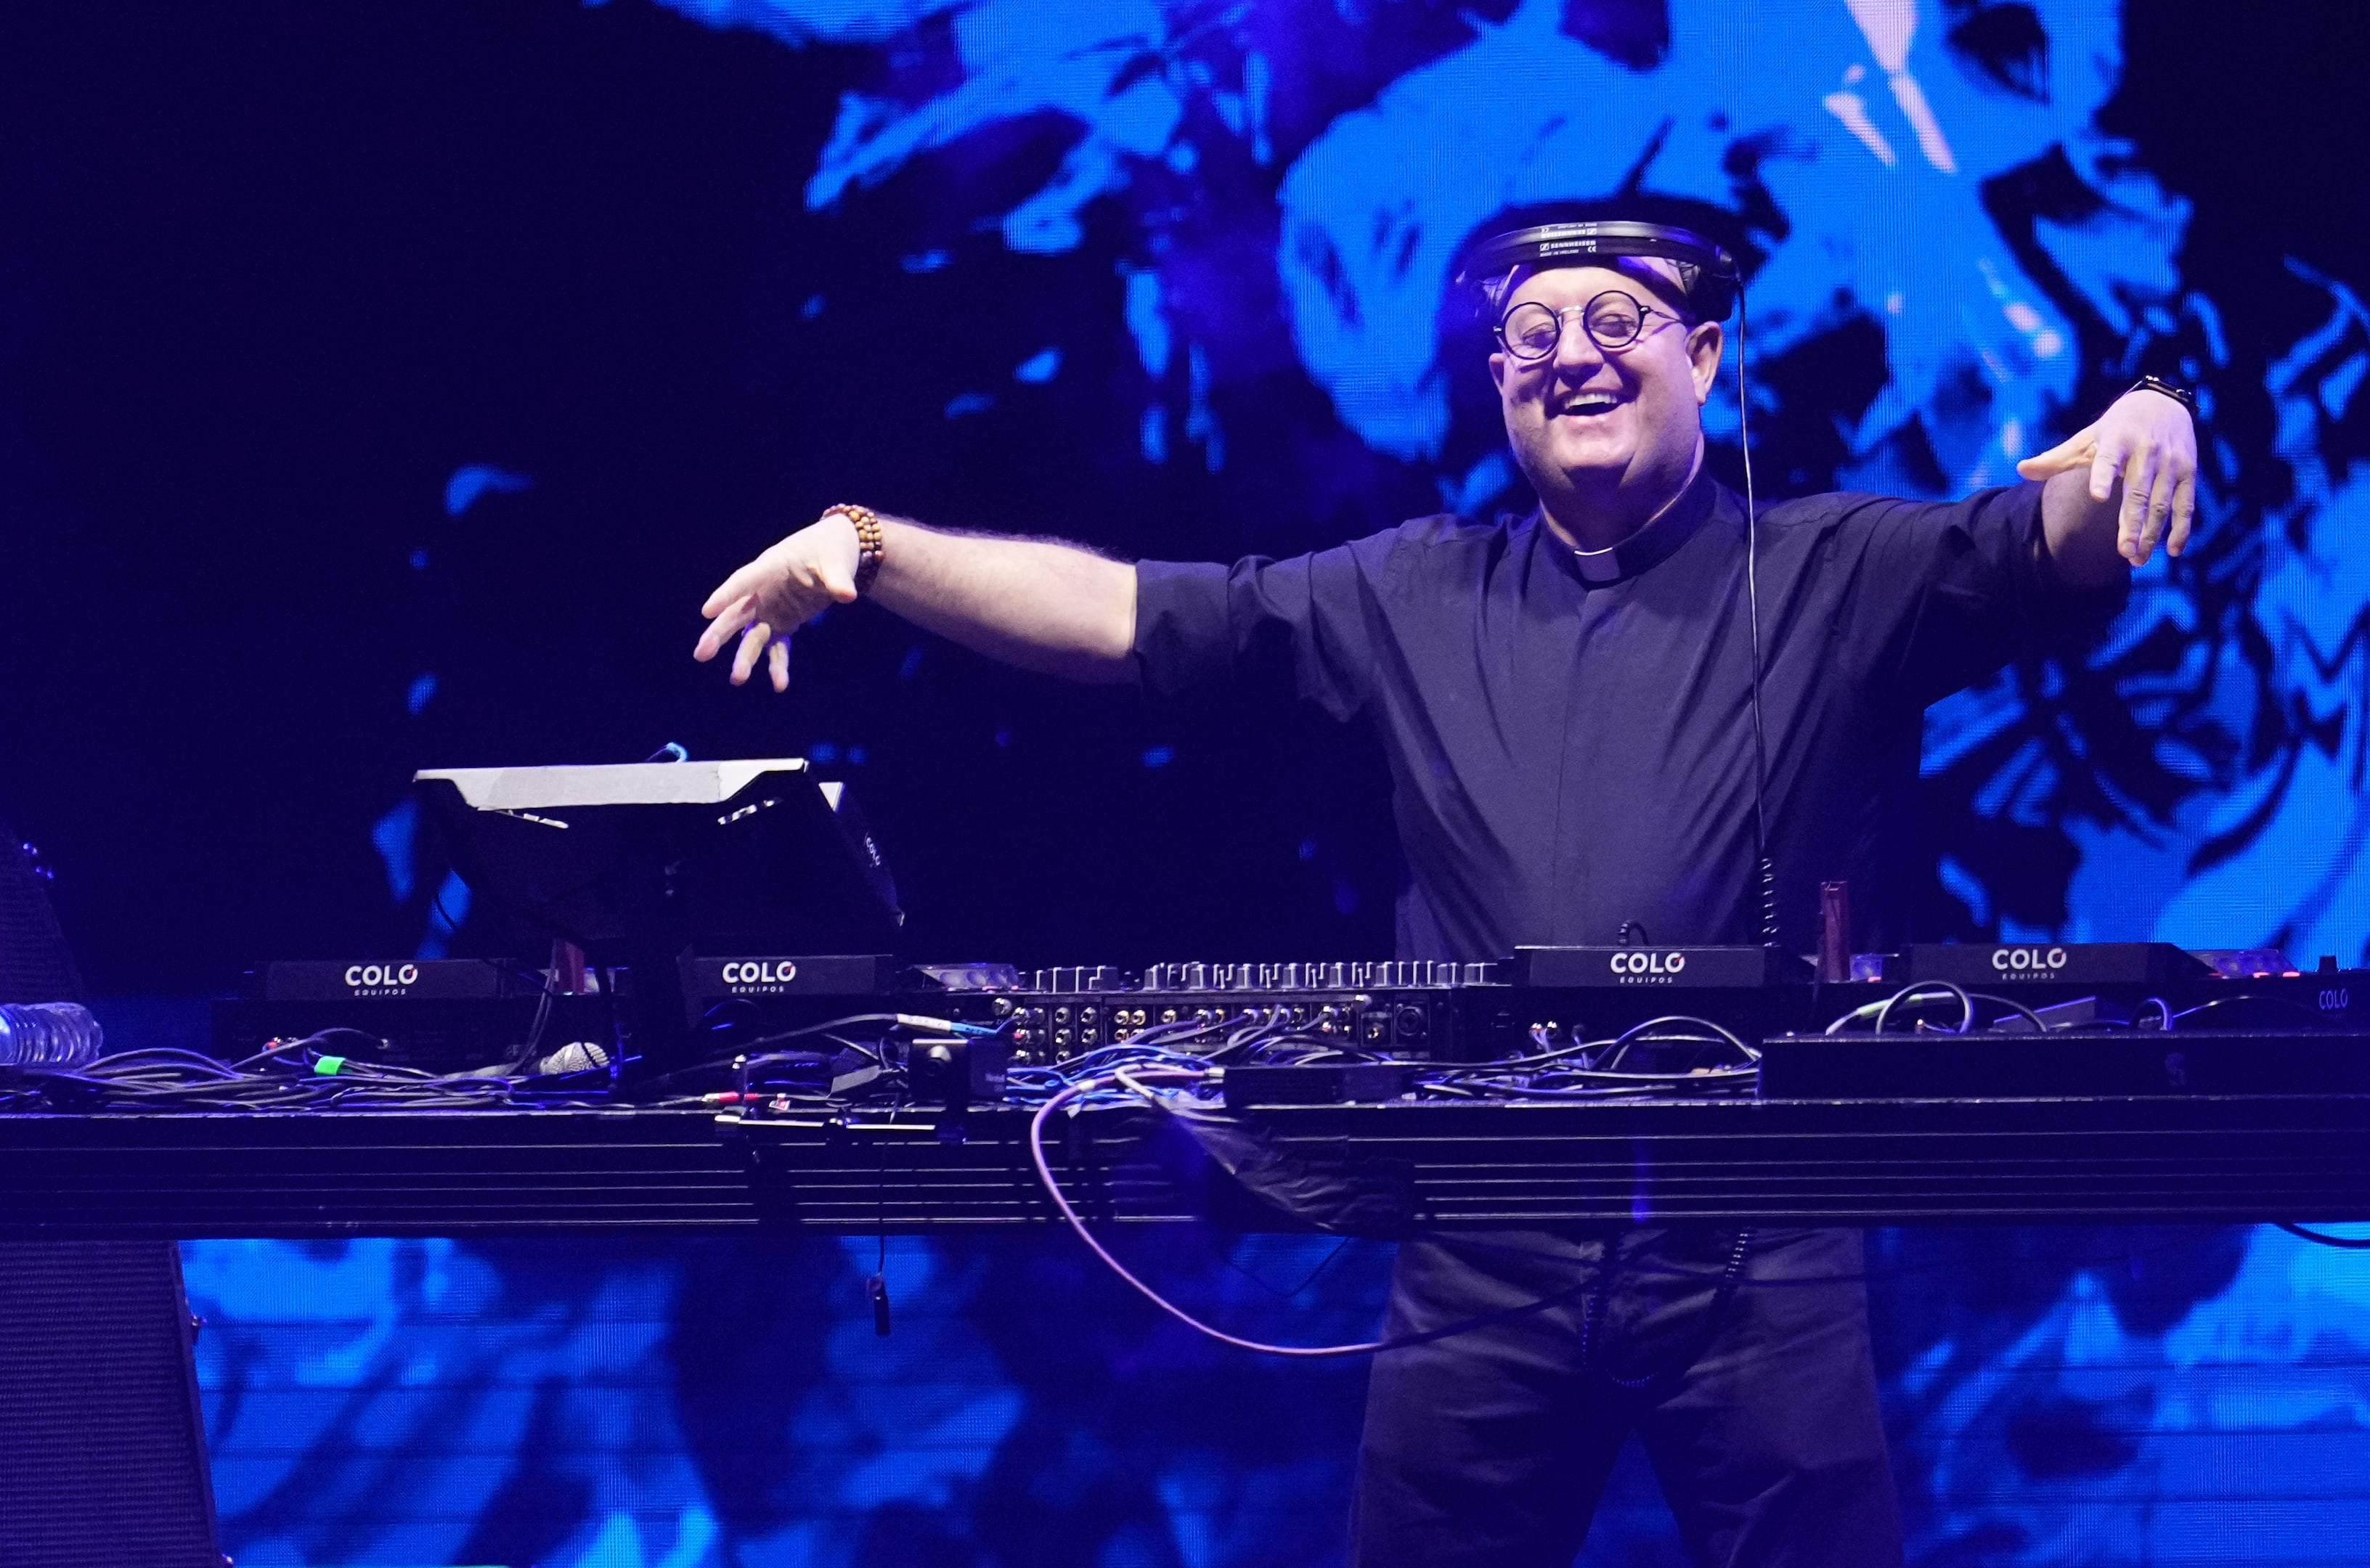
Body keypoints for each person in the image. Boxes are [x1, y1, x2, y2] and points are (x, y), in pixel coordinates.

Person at [693, 221, 2198, 1567]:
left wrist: (2142, 421)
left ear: (1708, 354)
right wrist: (867, 551)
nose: (1571, 358)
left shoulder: (1837, 567)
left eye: (1617, 321)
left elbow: (2050, 543)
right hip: (1485, 1230)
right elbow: (1130, 616)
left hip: (1752, 1233)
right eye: (1531, 338)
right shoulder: (1413, 589)